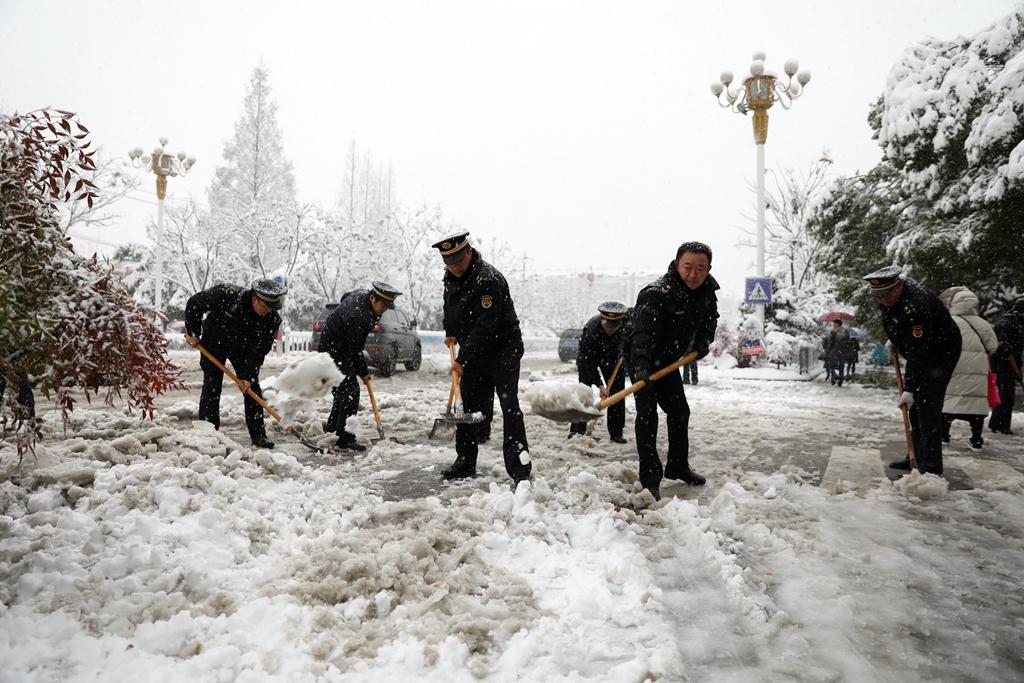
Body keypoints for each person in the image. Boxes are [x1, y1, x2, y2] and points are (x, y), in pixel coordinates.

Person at [432, 231, 532, 487]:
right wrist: (450, 332)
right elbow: (450, 307)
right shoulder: (450, 277)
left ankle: (519, 466)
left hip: (503, 349)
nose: (454, 267)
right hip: (475, 350)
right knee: (467, 404)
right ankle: (465, 461)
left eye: (458, 261)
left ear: (469, 252)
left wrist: (462, 359)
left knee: (509, 406)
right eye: (449, 263)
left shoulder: (488, 280)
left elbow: (484, 327)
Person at [626, 241, 719, 501]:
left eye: (700, 268)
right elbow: (641, 333)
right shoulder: (657, 293)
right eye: (687, 267)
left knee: (679, 412)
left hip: (668, 361)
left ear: (709, 268)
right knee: (647, 415)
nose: (693, 274)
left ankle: (677, 466)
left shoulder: (708, 290)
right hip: (641, 357)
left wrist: (703, 341)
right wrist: (641, 364)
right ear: (677, 264)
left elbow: (710, 318)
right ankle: (650, 479)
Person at [864, 266, 961, 476]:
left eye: (885, 294)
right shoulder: (893, 297)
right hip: (923, 350)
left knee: (927, 408)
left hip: (940, 354)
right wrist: (896, 340)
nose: (882, 299)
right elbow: (897, 322)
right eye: (877, 295)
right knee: (915, 410)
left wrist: (909, 389)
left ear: (898, 287)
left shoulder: (917, 305)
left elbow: (920, 353)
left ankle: (930, 470)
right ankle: (915, 457)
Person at [184, 279, 285, 448]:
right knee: (212, 385)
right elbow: (194, 303)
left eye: (273, 307)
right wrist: (193, 332)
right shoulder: (227, 295)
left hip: (244, 350)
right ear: (255, 299)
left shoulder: (272, 319)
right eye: (267, 306)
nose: (269, 311)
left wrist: (247, 375)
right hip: (214, 342)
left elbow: (260, 350)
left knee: (252, 387)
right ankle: (208, 433)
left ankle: (258, 435)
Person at [318, 281, 402, 451]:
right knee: (350, 390)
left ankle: (334, 427)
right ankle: (345, 438)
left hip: (335, 347)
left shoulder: (363, 297)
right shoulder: (359, 316)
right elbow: (355, 350)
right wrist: (363, 372)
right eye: (383, 306)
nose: (384, 310)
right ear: (372, 298)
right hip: (335, 351)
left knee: (343, 390)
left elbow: (346, 296)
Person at [938, 286, 998, 450]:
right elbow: (992, 347)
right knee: (976, 404)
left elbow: (940, 345)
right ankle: (976, 438)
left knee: (950, 400)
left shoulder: (949, 322)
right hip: (977, 368)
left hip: (954, 366)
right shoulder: (984, 325)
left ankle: (944, 434)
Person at [568, 301, 629, 442]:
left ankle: (616, 432)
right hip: (589, 359)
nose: (610, 329)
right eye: (607, 324)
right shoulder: (591, 329)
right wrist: (600, 385)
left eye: (614, 325)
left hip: (615, 359)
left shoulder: (627, 324)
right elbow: (587, 363)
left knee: (617, 394)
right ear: (602, 320)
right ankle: (577, 429)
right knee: (584, 392)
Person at [989, 298, 1024, 435]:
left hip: (1012, 363)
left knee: (1008, 396)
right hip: (1003, 364)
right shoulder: (1008, 321)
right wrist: (1004, 344)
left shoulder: (1019, 322)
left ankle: (1001, 424)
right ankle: (999, 425)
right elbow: (999, 336)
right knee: (1005, 395)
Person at [823, 319, 850, 386]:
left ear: (837, 324)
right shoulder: (846, 331)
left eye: (834, 323)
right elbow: (847, 341)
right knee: (841, 366)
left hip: (835, 352)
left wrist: (832, 335)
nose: (833, 325)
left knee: (831, 366)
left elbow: (831, 343)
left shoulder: (833, 332)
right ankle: (840, 379)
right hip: (843, 352)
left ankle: (835, 376)